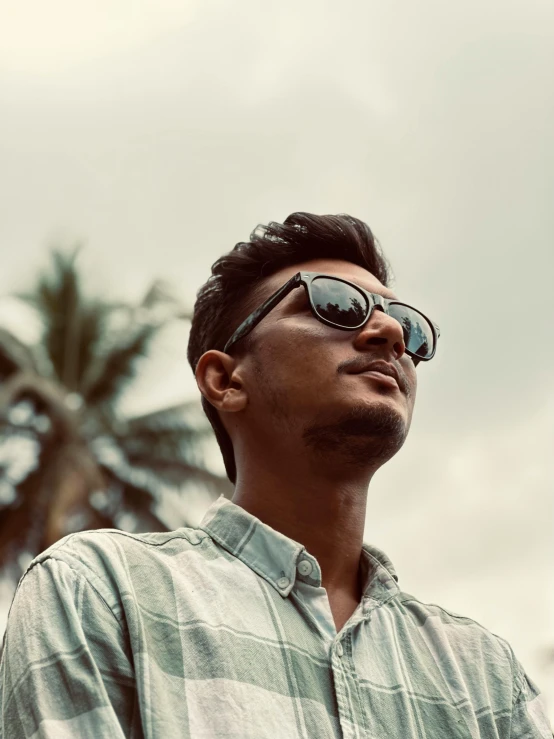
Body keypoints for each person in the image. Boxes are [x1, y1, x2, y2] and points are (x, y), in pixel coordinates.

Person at [0, 213, 551, 738]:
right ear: (225, 380)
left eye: (407, 324)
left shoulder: (485, 677)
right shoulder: (99, 592)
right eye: (335, 304)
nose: (389, 333)